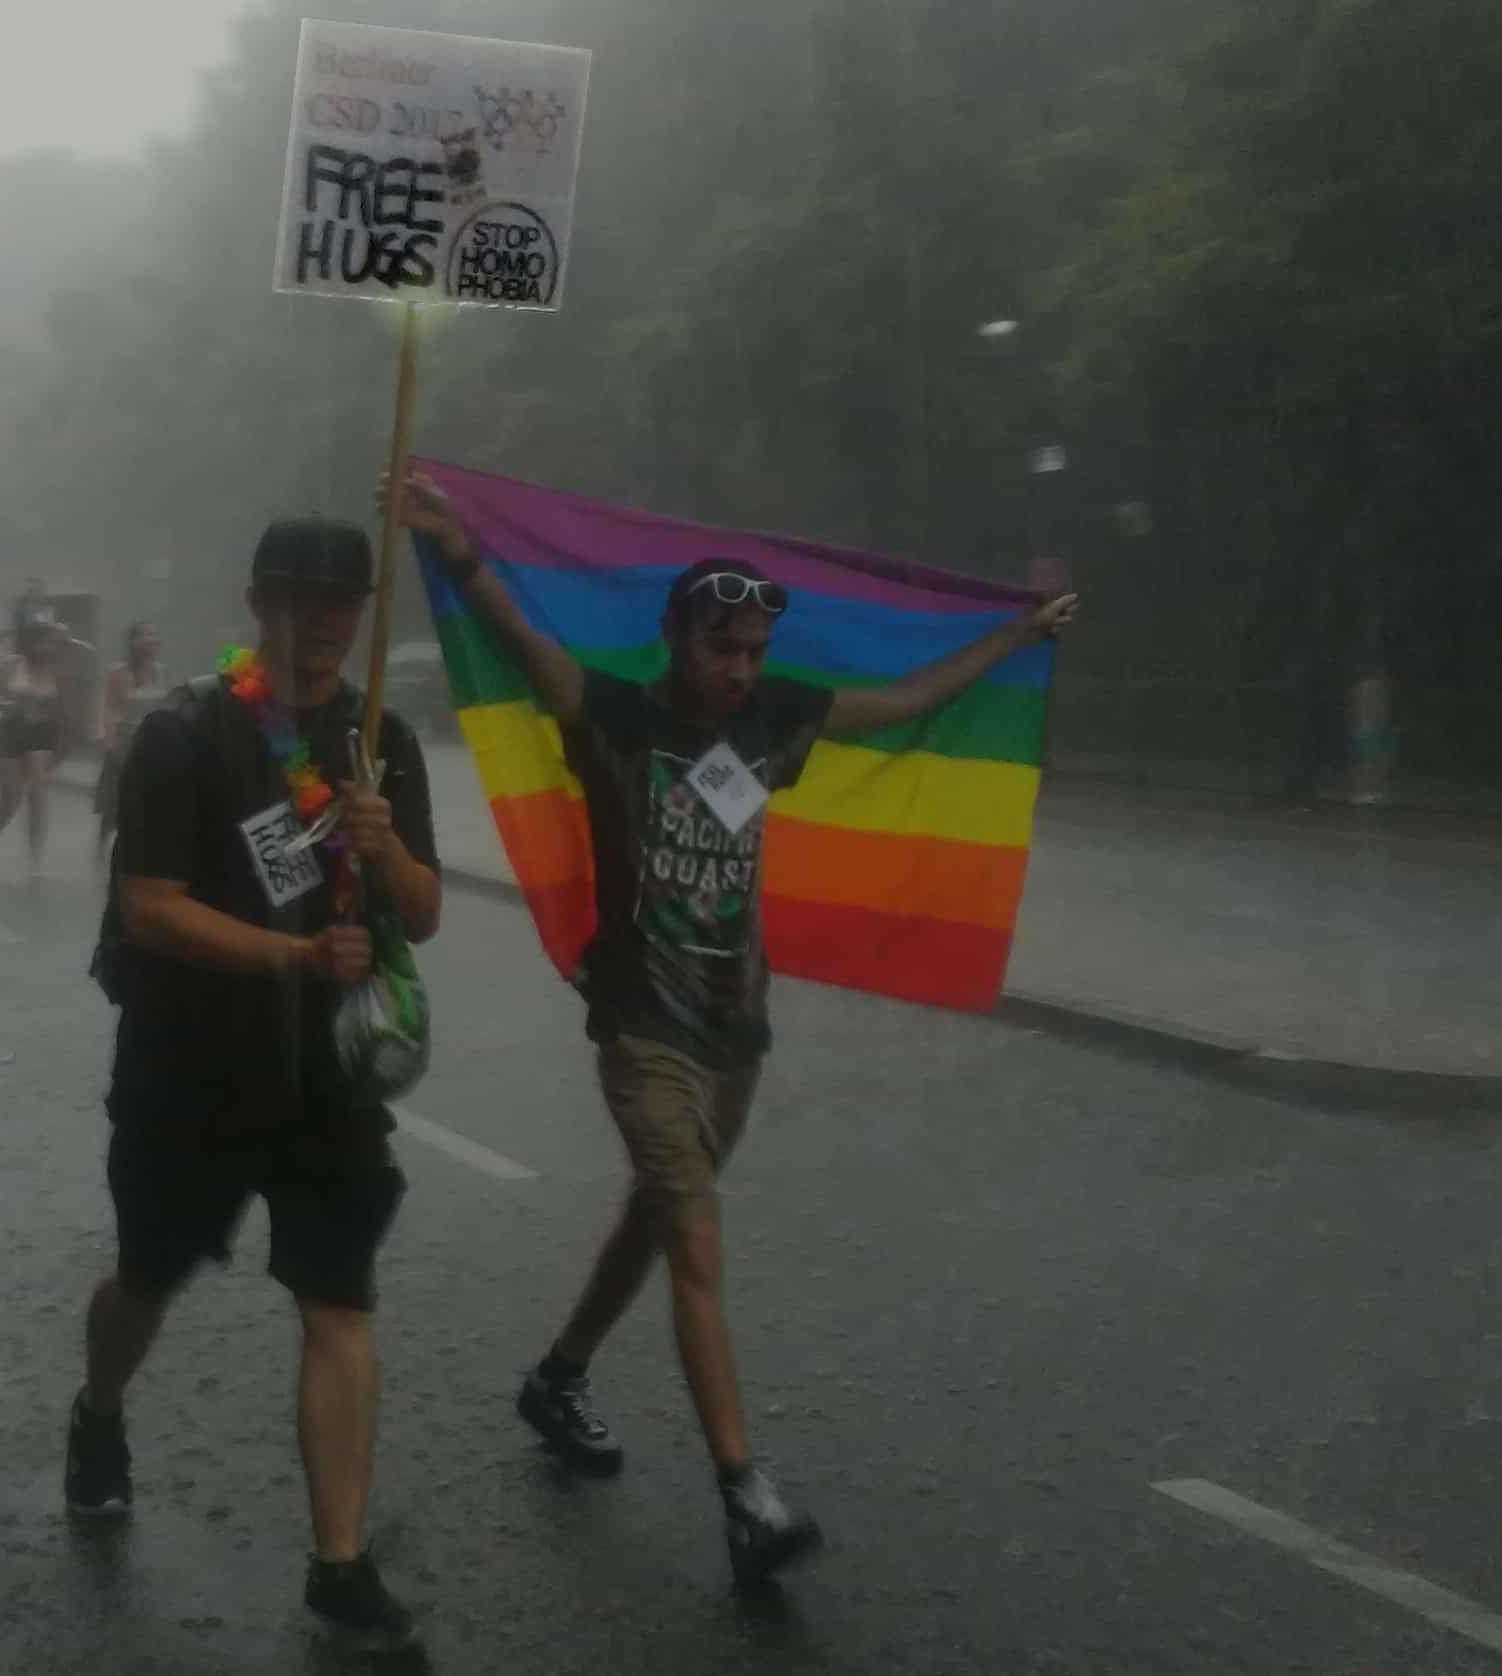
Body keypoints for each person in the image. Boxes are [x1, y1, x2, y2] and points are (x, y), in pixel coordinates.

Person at [393, 471, 1077, 1588]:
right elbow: (522, 644)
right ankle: (744, 1492)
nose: (743, 669)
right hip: (642, 1027)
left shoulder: (771, 721)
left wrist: (1013, 634)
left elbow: (902, 705)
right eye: (724, 648)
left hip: (735, 1031)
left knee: (660, 1217)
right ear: (677, 640)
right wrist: (465, 556)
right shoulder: (614, 716)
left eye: (756, 650)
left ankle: (556, 1375)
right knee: (696, 1236)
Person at [63, 516, 443, 1650]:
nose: (322, 622)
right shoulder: (183, 731)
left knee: (339, 1296)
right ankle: (99, 1409)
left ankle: (339, 1559)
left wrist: (383, 852)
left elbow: (421, 911)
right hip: (190, 1070)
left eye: (343, 601)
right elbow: (149, 905)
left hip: (326, 1076)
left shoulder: (383, 742)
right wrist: (288, 955)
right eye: (298, 598)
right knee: (146, 1276)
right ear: (255, 601)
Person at [0, 615, 67, 875]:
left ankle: (34, 858)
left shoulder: (57, 670)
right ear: (31, 643)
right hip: (11, 732)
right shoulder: (11, 665)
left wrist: (63, 742)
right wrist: (11, 705)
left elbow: (63, 709)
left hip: (42, 734)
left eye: (53, 644)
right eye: (44, 643)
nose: (48, 649)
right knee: (11, 800)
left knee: (38, 795)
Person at [93, 619, 169, 864]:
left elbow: (164, 707)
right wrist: (109, 739)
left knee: (149, 798)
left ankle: (142, 849)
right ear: (133, 642)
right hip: (123, 741)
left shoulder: (160, 671)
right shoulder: (117, 672)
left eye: (154, 635)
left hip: (152, 741)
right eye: (145, 635)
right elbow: (107, 707)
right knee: (116, 802)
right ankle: (103, 842)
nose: (151, 640)